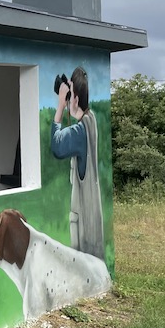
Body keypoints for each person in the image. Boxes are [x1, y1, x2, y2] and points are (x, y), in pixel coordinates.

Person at [50, 67, 105, 261]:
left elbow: (57, 145)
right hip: (92, 217)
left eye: (70, 94)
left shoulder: (81, 131)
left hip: (84, 222)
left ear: (75, 99)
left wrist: (60, 107)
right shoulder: (91, 119)